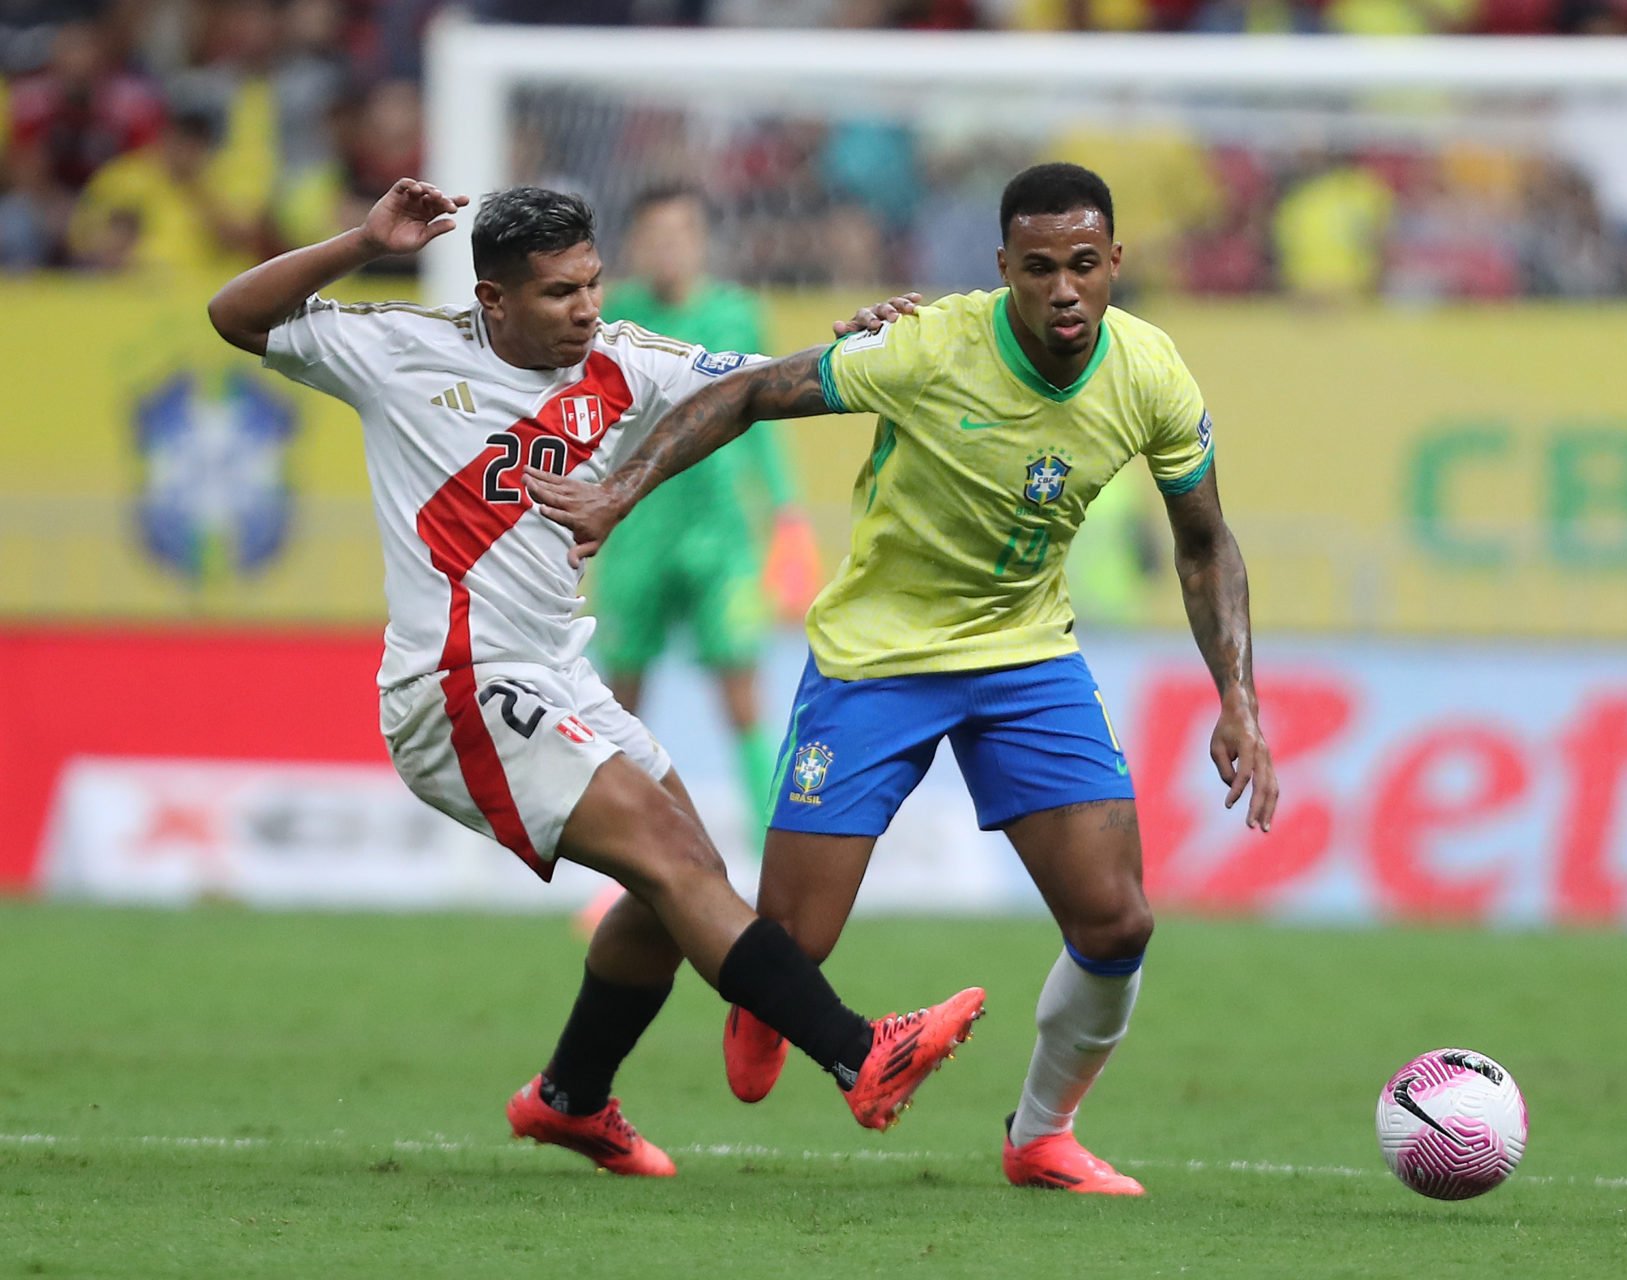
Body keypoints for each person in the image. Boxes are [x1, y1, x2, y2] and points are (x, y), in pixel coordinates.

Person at [205, 179, 985, 1179]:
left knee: (679, 885)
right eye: (558, 293)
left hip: (554, 671)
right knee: (673, 859)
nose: (586, 309)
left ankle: (571, 1098)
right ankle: (856, 1050)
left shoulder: (625, 358)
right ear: (492, 299)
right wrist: (365, 240)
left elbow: (769, 383)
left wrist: (874, 341)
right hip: (457, 682)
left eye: (592, 282)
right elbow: (234, 315)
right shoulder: (398, 352)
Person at [527, 162, 1278, 1196]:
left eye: (1087, 265)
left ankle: (1041, 1133)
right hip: (876, 658)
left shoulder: (1151, 372)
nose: (1066, 290)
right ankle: (749, 1005)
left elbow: (1204, 542)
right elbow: (748, 391)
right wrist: (616, 490)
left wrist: (1237, 691)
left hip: (1023, 655)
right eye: (1041, 268)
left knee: (1118, 920)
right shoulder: (928, 345)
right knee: (790, 944)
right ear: (1003, 268)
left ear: (1118, 264)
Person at [590, 186, 817, 841]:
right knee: (620, 693)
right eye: (655, 236)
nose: (668, 248)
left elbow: (768, 419)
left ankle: (768, 835)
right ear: (634, 245)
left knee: (740, 688)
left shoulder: (737, 313)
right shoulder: (614, 317)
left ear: (700, 241)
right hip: (638, 525)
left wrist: (787, 512)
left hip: (720, 534)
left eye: (680, 234)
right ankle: (613, 831)